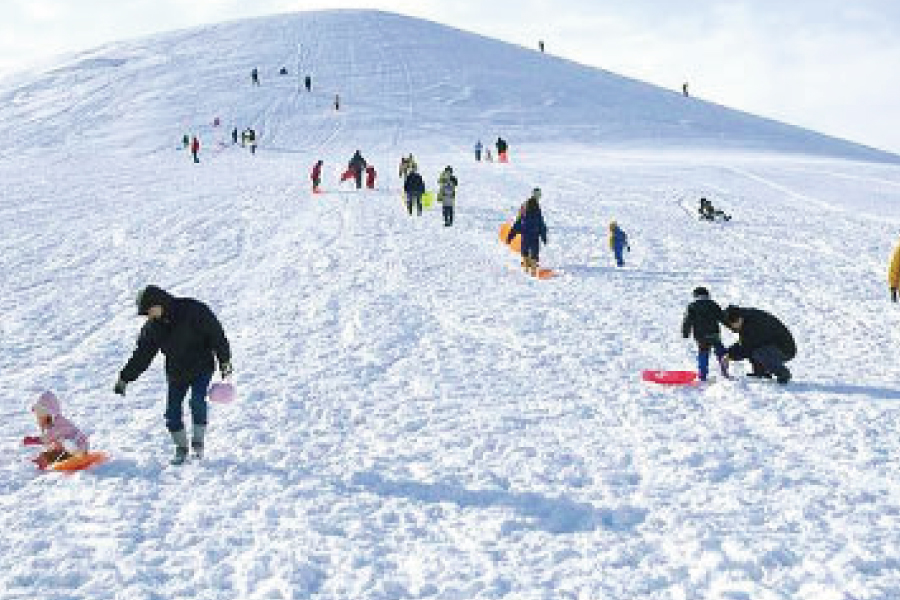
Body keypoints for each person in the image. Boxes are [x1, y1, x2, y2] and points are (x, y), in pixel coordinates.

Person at [113, 285, 232, 465]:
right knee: (172, 413)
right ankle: (181, 448)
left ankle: (198, 443)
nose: (148, 316)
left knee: (197, 401)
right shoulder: (153, 328)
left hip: (202, 366)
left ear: (159, 303)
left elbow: (216, 334)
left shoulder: (194, 310)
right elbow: (142, 355)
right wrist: (125, 378)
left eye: (149, 311)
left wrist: (224, 361)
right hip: (177, 372)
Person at [721, 305, 795, 384]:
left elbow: (747, 347)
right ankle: (760, 372)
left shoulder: (754, 324)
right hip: (770, 344)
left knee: (758, 352)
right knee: (756, 349)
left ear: (740, 319)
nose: (732, 327)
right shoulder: (745, 317)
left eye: (733, 324)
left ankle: (783, 373)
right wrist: (729, 353)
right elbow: (744, 342)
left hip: (785, 349)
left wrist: (729, 355)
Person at [23, 391, 89, 470]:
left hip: (78, 448)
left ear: (51, 413)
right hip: (73, 446)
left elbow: (47, 438)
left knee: (55, 452)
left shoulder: (58, 423)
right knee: (56, 447)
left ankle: (43, 460)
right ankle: (44, 459)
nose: (40, 418)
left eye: (42, 414)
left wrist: (34, 440)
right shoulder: (54, 422)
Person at [682, 287, 729, 381]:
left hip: (701, 336)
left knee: (703, 353)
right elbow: (722, 317)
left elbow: (687, 321)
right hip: (714, 334)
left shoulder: (692, 306)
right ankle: (724, 371)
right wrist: (732, 326)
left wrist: (685, 333)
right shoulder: (713, 304)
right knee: (720, 351)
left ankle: (702, 375)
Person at [507, 188, 548, 276]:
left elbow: (516, 226)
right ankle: (532, 269)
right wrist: (544, 237)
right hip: (534, 237)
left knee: (525, 251)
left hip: (526, 236)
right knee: (534, 253)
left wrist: (510, 236)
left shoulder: (524, 216)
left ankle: (527, 267)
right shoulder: (537, 214)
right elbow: (542, 226)